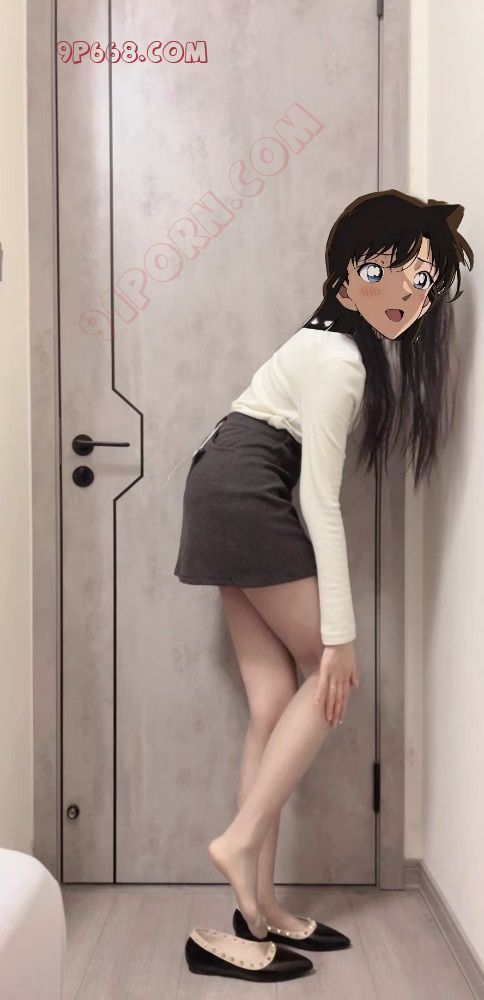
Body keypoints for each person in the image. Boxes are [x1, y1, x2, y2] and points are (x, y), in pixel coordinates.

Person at [174, 189, 473, 943]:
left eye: (422, 281)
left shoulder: (322, 346)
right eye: (382, 271)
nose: (404, 292)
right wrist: (340, 635)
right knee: (328, 673)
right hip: (247, 490)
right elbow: (319, 500)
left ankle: (258, 908)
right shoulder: (339, 360)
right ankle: (240, 840)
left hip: (218, 485)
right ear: (345, 278)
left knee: (274, 701)